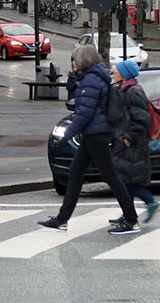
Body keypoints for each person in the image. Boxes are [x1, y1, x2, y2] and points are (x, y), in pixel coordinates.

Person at [39, 44, 139, 235]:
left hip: (96, 135)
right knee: (75, 175)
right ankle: (62, 219)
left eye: (75, 59)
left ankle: (131, 219)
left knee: (110, 177)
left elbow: (85, 113)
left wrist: (67, 135)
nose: (74, 63)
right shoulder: (94, 76)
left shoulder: (91, 80)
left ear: (83, 60)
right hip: (94, 133)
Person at [109, 60, 160, 225]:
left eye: (115, 72)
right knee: (124, 179)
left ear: (124, 75)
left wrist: (128, 138)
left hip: (132, 146)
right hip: (125, 144)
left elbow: (142, 119)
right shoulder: (124, 90)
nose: (113, 75)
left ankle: (151, 202)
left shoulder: (133, 92)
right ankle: (128, 213)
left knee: (126, 181)